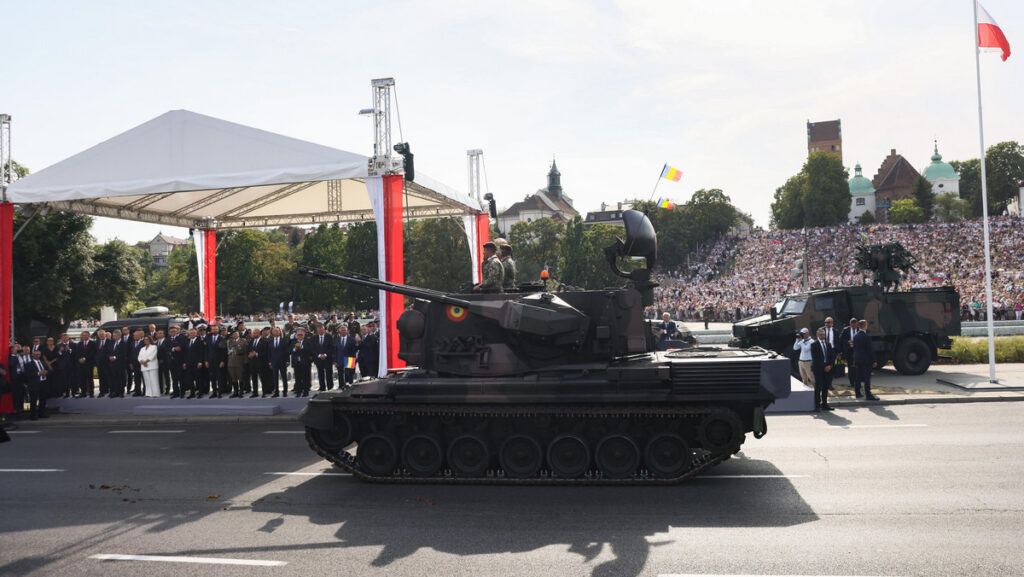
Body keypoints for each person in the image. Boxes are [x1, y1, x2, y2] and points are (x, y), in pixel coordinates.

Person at [852, 319, 880, 401]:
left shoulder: (855, 336)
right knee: (867, 377)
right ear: (864, 326)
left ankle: (857, 393)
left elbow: (855, 348)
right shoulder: (866, 337)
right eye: (866, 325)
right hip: (865, 360)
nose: (867, 326)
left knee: (858, 377)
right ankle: (868, 394)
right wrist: (874, 360)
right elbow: (869, 350)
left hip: (857, 359)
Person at [811, 328, 835, 412]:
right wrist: (824, 367)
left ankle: (825, 404)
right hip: (818, 369)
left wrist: (830, 366)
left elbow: (832, 356)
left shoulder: (828, 344)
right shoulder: (814, 345)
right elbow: (816, 358)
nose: (823, 336)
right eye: (821, 334)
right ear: (817, 335)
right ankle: (817, 405)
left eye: (824, 334)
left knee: (825, 386)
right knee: (818, 387)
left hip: (828, 368)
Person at [24, 349, 50, 420]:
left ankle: (42, 413)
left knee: (43, 399)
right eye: (36, 354)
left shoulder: (43, 362)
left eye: (38, 354)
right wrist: (38, 373)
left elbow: (48, 370)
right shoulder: (29, 364)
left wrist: (46, 372)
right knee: (33, 400)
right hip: (34, 384)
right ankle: (33, 415)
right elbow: (27, 374)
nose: (37, 355)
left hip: (43, 382)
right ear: (32, 355)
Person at [183, 328, 205, 399]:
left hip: (197, 363)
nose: (192, 334)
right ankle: (192, 393)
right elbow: (185, 353)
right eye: (191, 333)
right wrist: (185, 362)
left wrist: (200, 362)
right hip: (189, 363)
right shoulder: (187, 341)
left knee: (198, 378)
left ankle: (200, 393)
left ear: (196, 333)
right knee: (190, 379)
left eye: (193, 333)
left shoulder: (200, 341)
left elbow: (202, 352)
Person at [290, 327, 313, 396]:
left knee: (306, 378)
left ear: (304, 335)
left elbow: (310, 351)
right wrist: (295, 348)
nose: (300, 336)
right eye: (298, 335)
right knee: (297, 378)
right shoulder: (293, 342)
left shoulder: (308, 342)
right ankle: (298, 391)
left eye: (301, 335)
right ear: (296, 335)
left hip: (305, 363)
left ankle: (306, 392)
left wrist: (302, 346)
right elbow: (290, 351)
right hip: (297, 363)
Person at [268, 327, 290, 398]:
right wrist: (270, 362)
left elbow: (287, 352)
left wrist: (287, 361)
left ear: (280, 332)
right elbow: (269, 353)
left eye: (277, 331)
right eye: (274, 331)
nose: (276, 332)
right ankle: (276, 392)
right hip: (274, 362)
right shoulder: (270, 341)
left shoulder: (283, 340)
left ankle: (285, 391)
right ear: (272, 333)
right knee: (275, 378)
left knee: (284, 377)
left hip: (283, 362)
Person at [226, 330, 249, 398]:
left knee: (240, 377)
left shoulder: (243, 341)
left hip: (240, 360)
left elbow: (245, 351)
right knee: (233, 377)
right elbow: (222, 346)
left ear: (239, 334)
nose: (235, 335)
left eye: (236, 333)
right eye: (233, 334)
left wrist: (245, 361)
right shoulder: (229, 341)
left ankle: (241, 392)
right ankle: (235, 392)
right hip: (231, 361)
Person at [73, 331, 96, 397]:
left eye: (85, 335)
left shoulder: (93, 344)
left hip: (89, 364)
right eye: (83, 335)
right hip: (81, 365)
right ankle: (83, 393)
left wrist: (85, 358)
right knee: (82, 379)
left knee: (90, 379)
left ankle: (91, 393)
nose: (84, 336)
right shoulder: (79, 344)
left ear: (89, 336)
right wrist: (79, 359)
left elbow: (93, 353)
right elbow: (77, 353)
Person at [206, 325, 226, 398]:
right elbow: (206, 350)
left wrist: (223, 361)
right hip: (210, 361)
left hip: (219, 361)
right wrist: (206, 361)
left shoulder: (222, 338)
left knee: (220, 377)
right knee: (212, 377)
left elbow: (224, 351)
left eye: (216, 329)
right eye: (213, 329)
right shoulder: (208, 338)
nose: (215, 330)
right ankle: (214, 392)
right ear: (211, 330)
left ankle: (220, 392)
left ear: (218, 330)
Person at [165, 326, 186, 398]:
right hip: (171, 361)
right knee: (174, 378)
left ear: (177, 331)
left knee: (181, 377)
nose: (172, 333)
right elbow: (166, 348)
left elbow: (181, 347)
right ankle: (175, 392)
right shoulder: (167, 339)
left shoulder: (181, 338)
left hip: (179, 361)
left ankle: (182, 392)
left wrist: (172, 349)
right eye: (171, 332)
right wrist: (173, 348)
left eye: (174, 331)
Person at [312, 325, 334, 391]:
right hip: (318, 359)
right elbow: (313, 349)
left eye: (322, 329)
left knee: (329, 374)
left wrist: (325, 355)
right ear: (317, 331)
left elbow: (331, 347)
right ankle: (322, 387)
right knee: (320, 374)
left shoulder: (329, 337)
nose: (321, 331)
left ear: (324, 330)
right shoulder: (314, 338)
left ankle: (330, 387)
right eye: (319, 330)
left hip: (327, 359)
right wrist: (319, 355)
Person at [839, 317, 859, 390]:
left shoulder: (859, 330)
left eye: (855, 325)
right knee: (850, 367)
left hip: (857, 351)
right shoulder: (846, 330)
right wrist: (847, 341)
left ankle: (858, 381)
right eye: (852, 325)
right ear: (850, 324)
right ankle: (851, 382)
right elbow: (841, 339)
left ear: (856, 324)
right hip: (849, 351)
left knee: (857, 367)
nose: (854, 326)